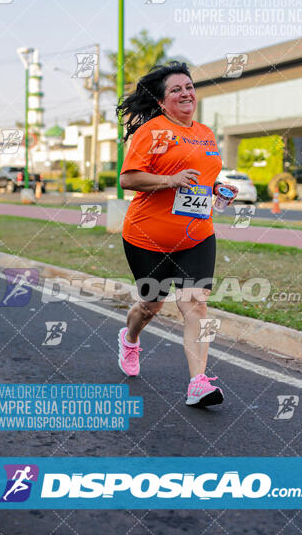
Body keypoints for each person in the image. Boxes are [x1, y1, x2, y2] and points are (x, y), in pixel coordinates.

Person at [117, 62, 238, 408]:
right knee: (150, 305)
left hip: (196, 235)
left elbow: (200, 177)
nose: (186, 93)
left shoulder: (205, 133)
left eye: (189, 87)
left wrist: (217, 188)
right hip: (147, 238)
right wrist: (169, 181)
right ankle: (130, 338)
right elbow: (128, 178)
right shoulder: (153, 132)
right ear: (161, 100)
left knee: (196, 305)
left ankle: (198, 382)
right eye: (176, 89)